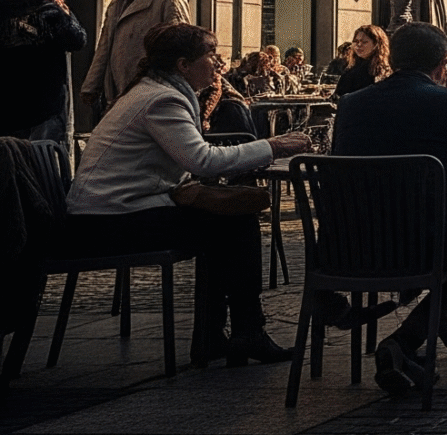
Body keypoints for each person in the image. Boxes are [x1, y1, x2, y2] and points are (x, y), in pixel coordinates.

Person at [65, 23, 311, 367]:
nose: (219, 62)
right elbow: (202, 160)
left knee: (227, 221)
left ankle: (217, 335)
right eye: (210, 54)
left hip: (115, 212)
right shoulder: (161, 99)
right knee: (235, 224)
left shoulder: (157, 91)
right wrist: (272, 146)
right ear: (183, 65)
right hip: (107, 222)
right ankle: (244, 331)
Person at [331, 22, 447, 395]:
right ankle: (405, 339)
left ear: (391, 59)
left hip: (352, 250)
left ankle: (417, 333)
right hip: (427, 249)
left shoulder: (351, 105)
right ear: (443, 63)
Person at [81, 0, 192, 117]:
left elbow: (179, 48)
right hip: (119, 92)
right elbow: (105, 44)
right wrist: (91, 85)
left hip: (152, 94)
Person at [0, 0, 87, 142]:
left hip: (4, 105)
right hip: (41, 106)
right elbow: (77, 39)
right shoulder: (45, 5)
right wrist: (61, 7)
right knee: (39, 158)